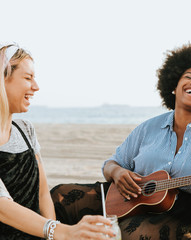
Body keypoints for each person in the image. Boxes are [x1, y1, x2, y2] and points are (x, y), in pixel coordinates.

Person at [50, 43, 191, 240]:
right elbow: (111, 164)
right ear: (173, 86)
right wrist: (118, 172)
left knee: (133, 232)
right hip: (135, 199)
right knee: (60, 196)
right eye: (188, 77)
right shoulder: (148, 128)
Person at [0, 43, 115, 240]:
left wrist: (51, 236)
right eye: (28, 78)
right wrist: (62, 231)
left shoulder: (26, 129)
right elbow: (3, 207)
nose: (36, 86)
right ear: (3, 79)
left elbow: (43, 194)